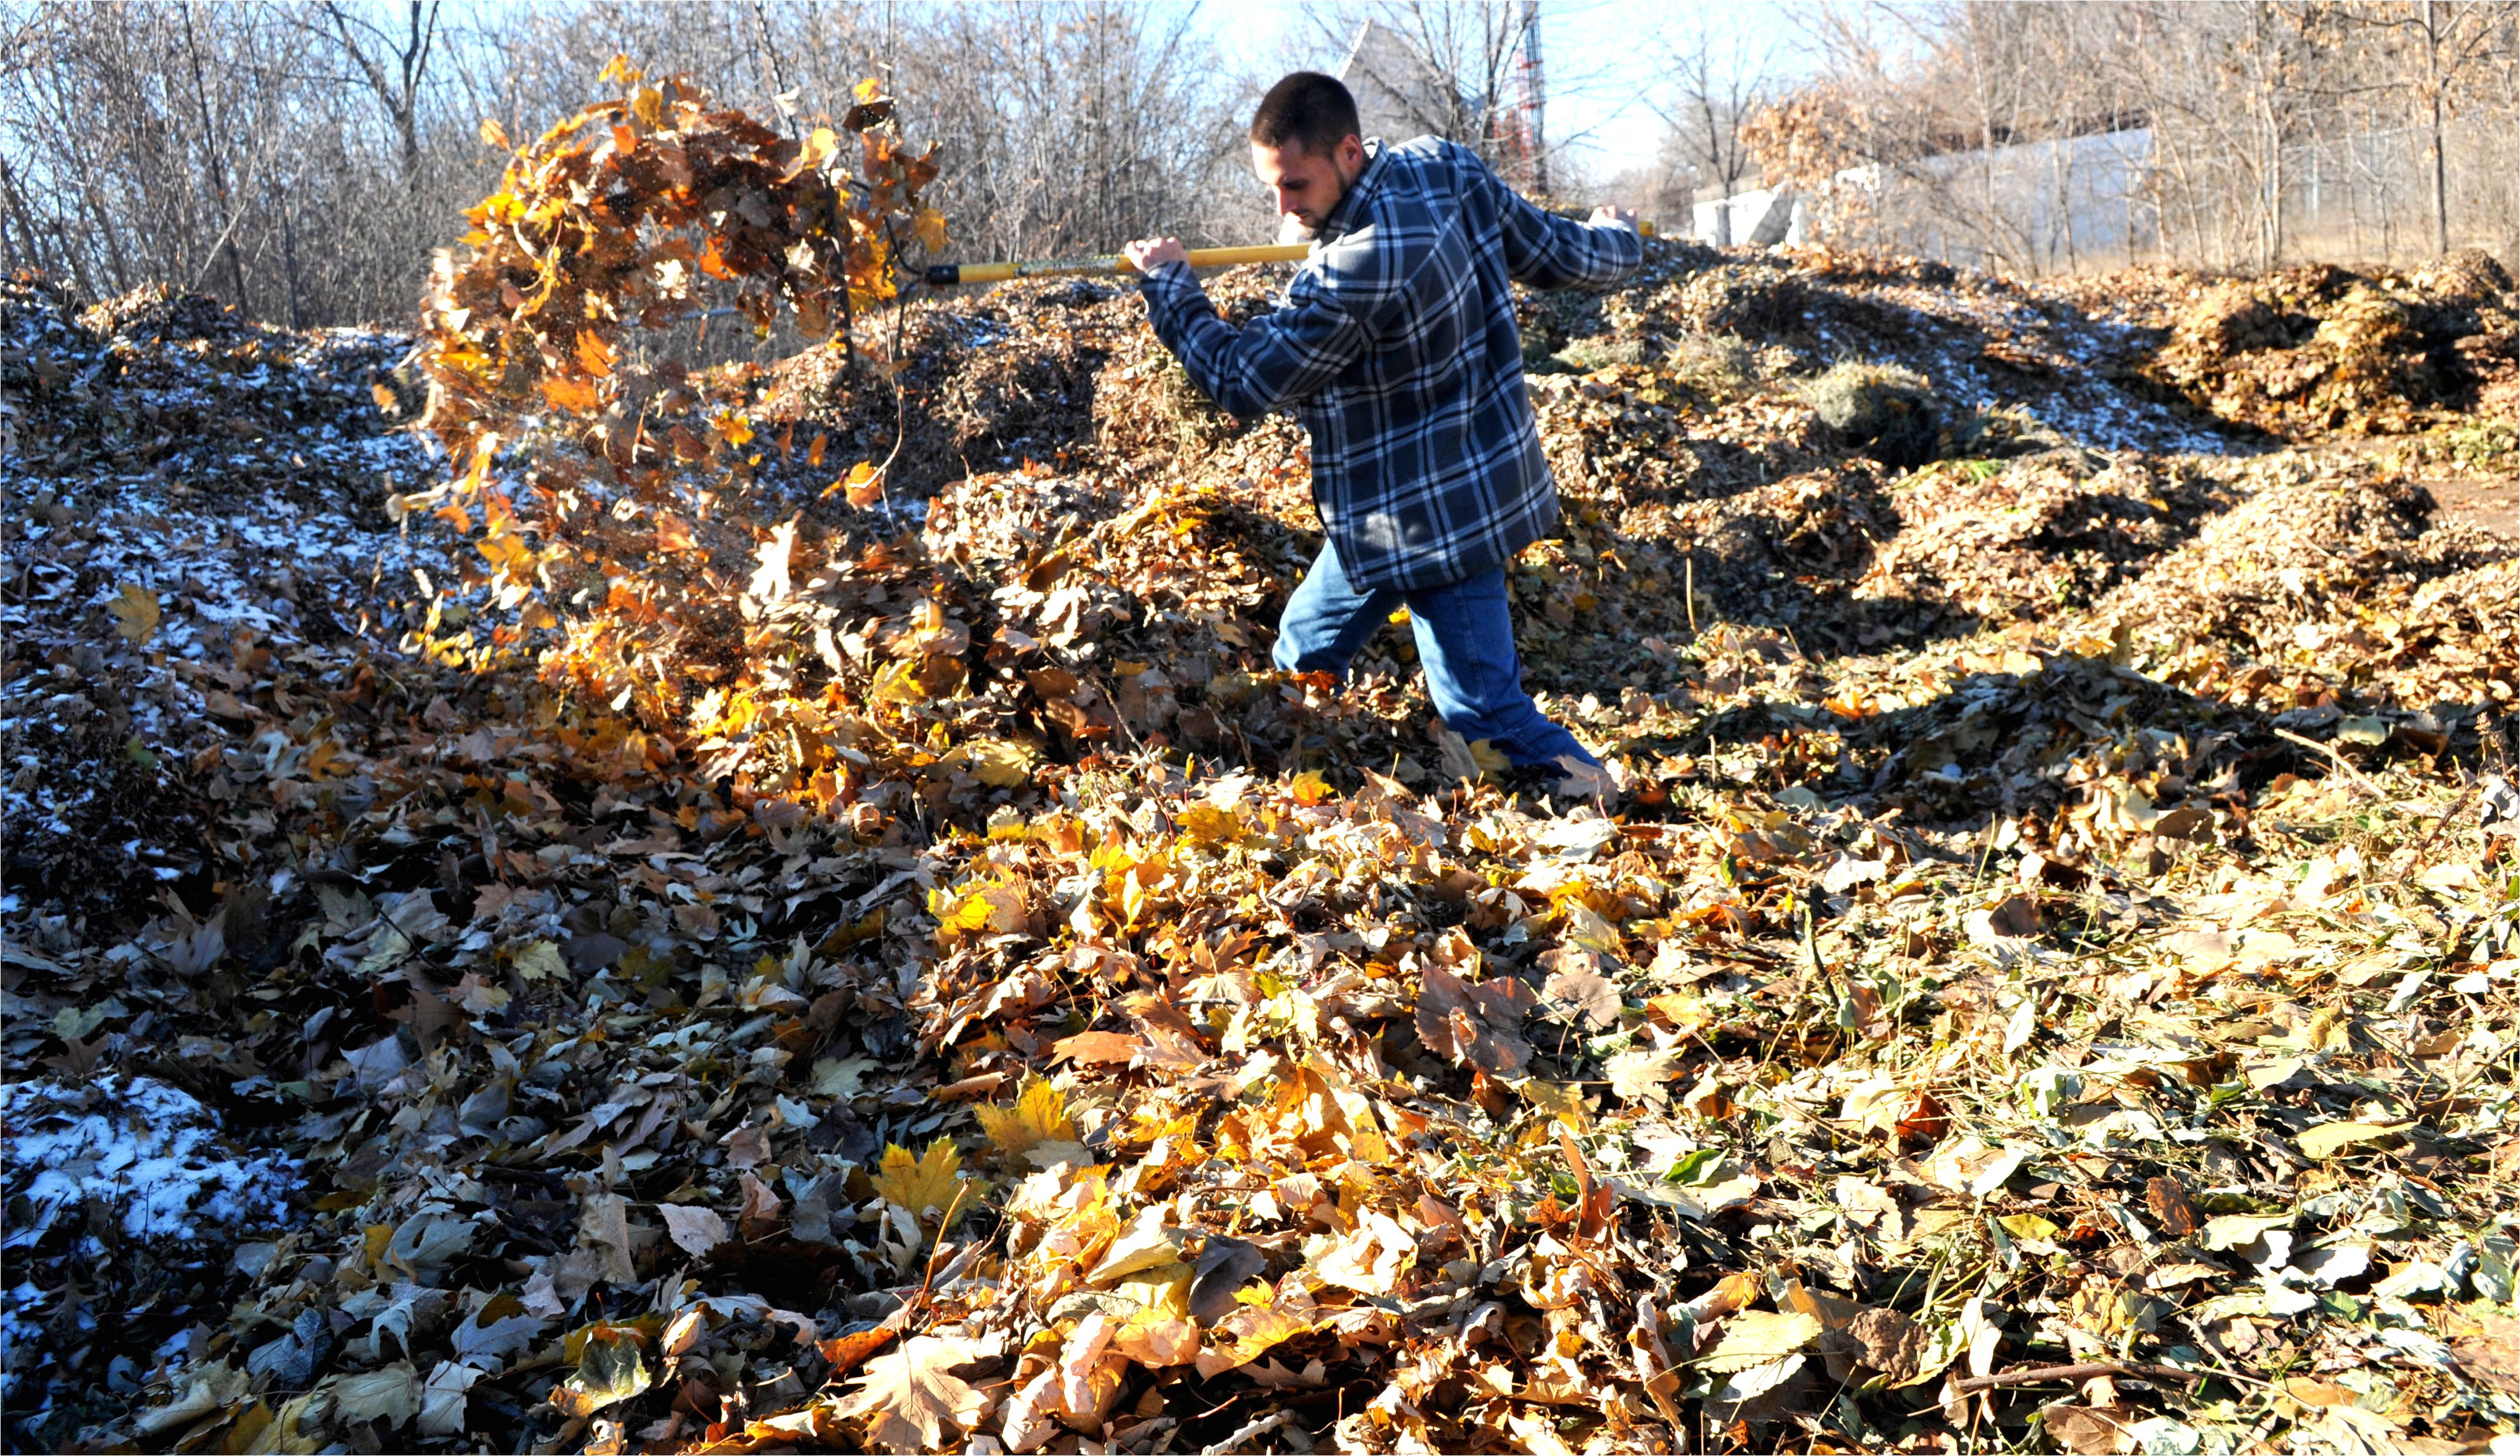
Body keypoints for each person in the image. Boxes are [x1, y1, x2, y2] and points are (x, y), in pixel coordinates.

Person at [1123, 71, 1640, 796]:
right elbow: (1557, 252)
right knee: (1304, 648)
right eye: (1272, 187)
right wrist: (1618, 237)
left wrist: (1171, 288)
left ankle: (1599, 795)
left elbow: (1241, 380)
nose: (1282, 207)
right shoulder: (1444, 165)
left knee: (1483, 713)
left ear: (1349, 154)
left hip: (1445, 517)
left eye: (1295, 187)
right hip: (1387, 505)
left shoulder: (1357, 269)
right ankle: (1302, 762)